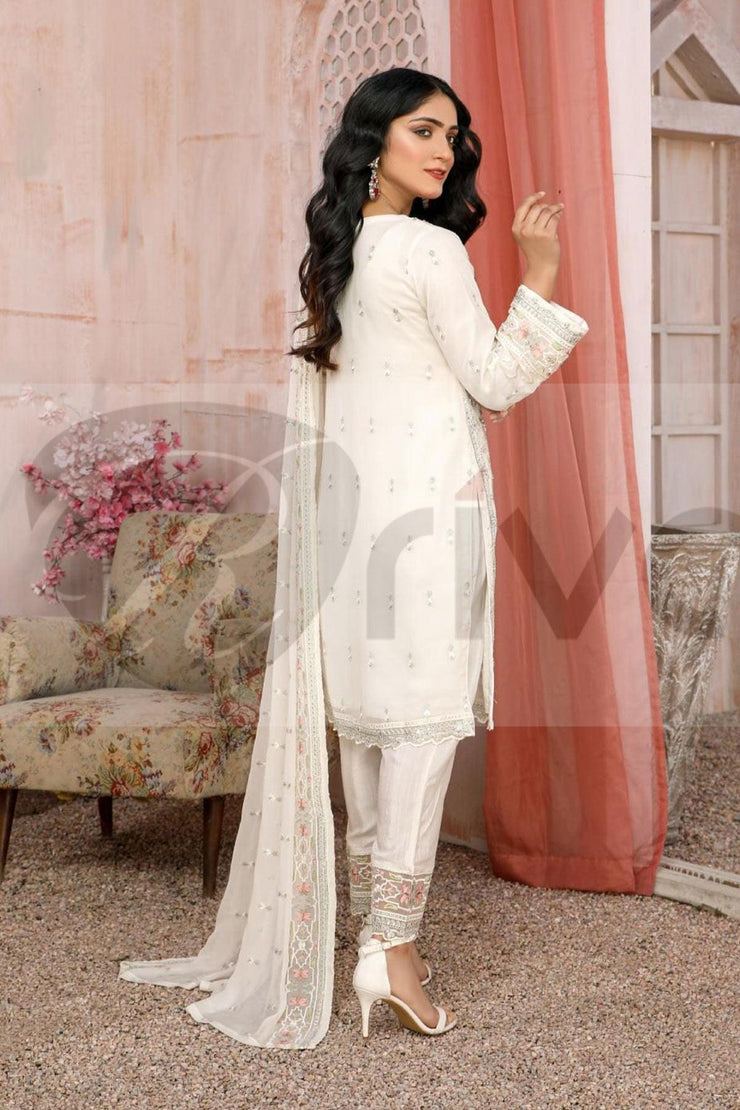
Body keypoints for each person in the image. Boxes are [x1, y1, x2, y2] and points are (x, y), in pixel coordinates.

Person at [118, 66, 588, 1048]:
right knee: (418, 734)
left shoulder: (330, 260)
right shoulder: (429, 248)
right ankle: (391, 951)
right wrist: (540, 271)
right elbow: (495, 380)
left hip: (351, 530)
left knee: (373, 733)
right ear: (372, 142)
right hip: (427, 527)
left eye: (452, 136)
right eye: (424, 130)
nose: (444, 150)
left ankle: (377, 936)